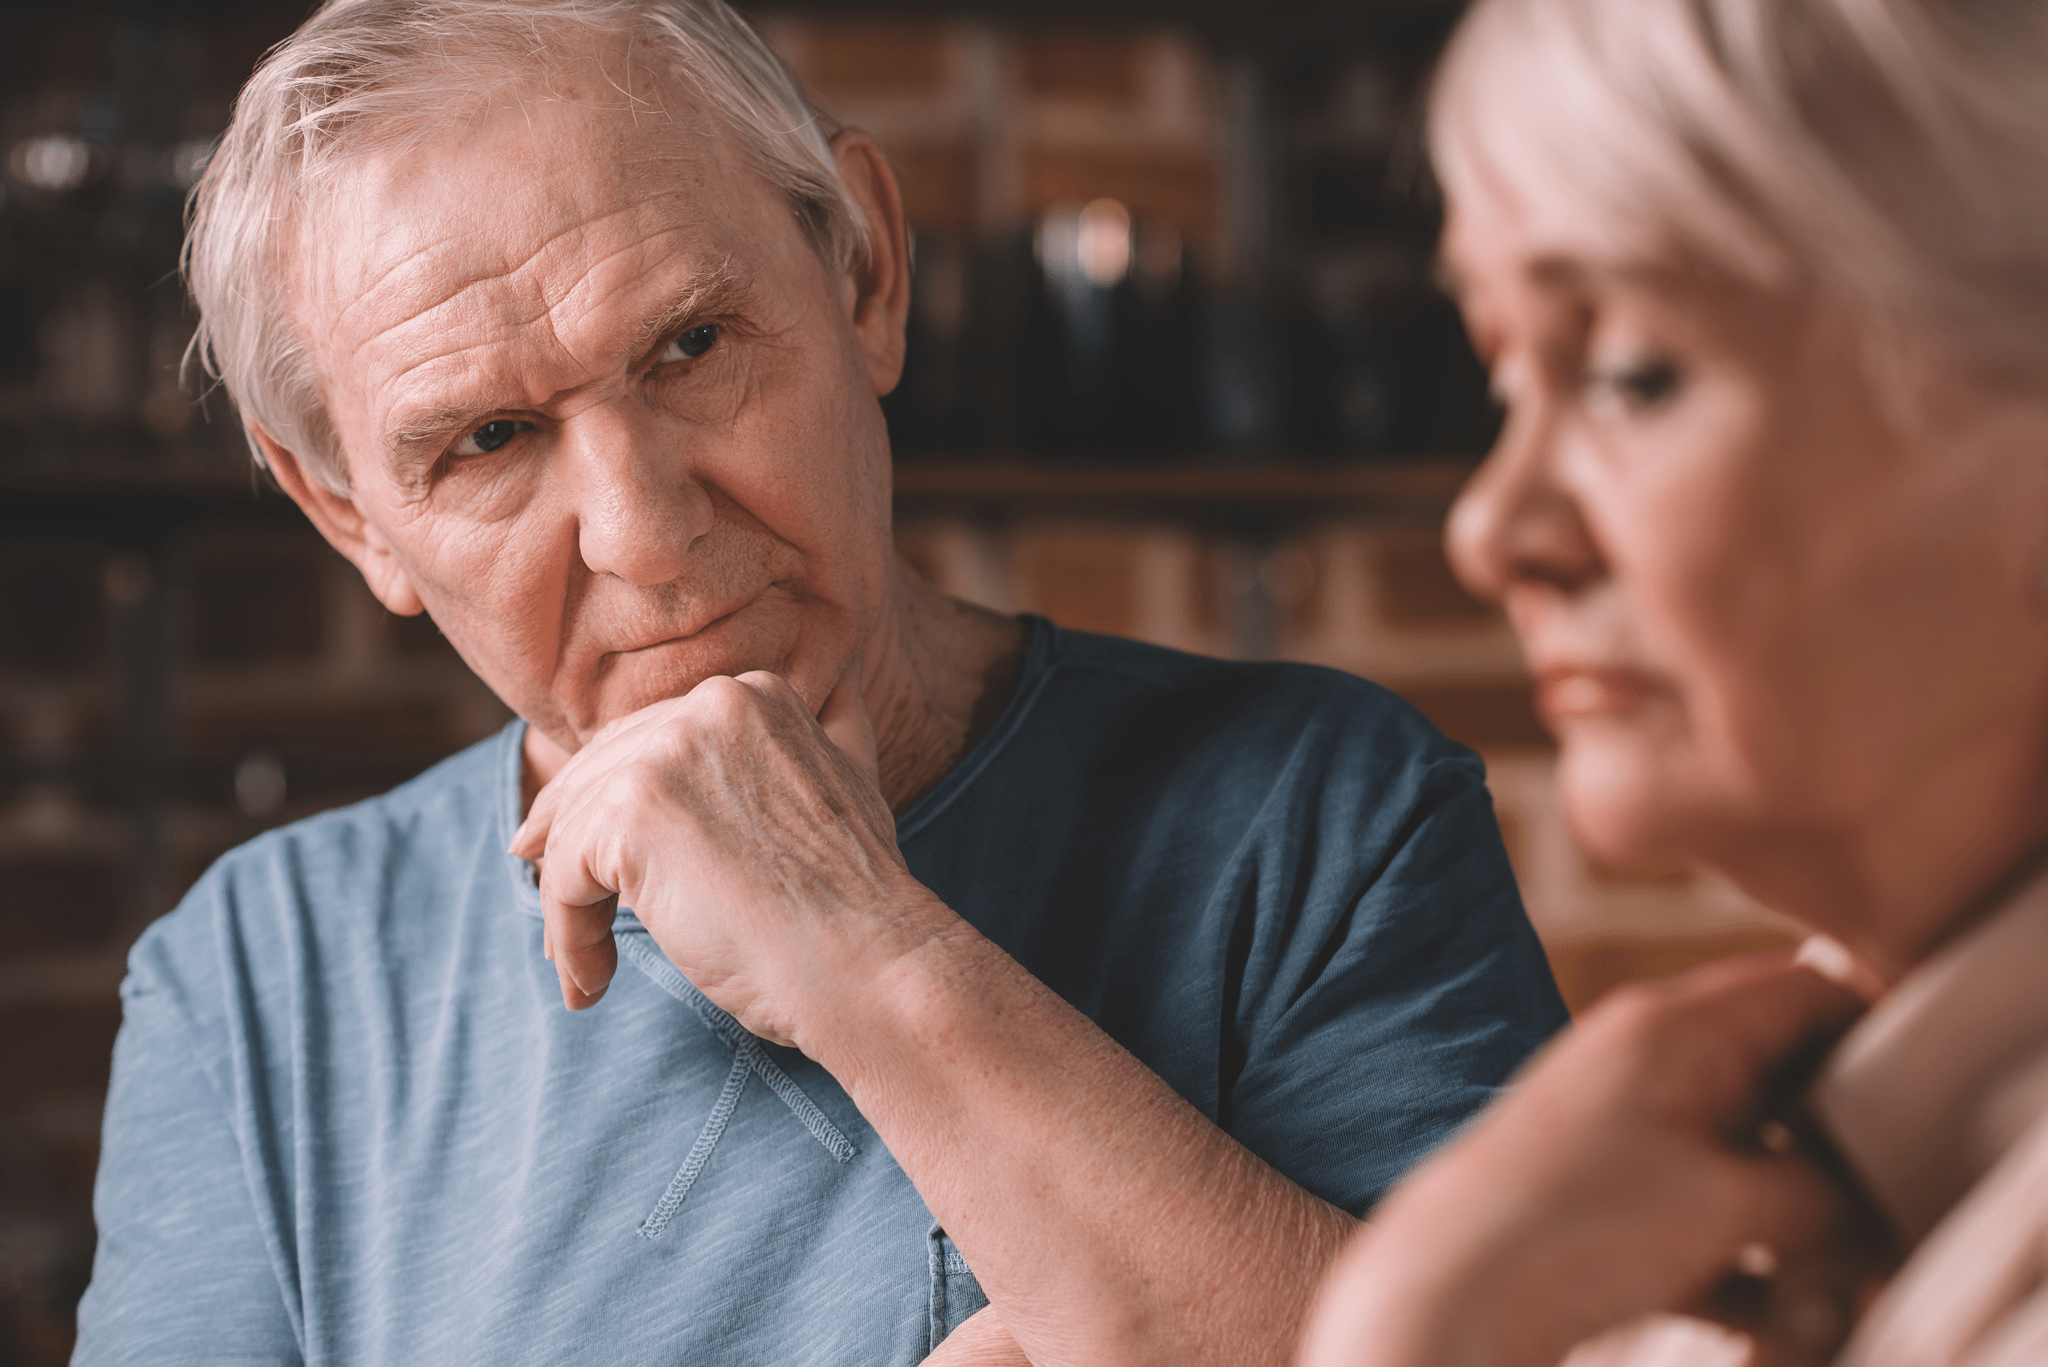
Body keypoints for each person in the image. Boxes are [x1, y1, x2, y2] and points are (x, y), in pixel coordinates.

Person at [71, 2, 1567, 1364]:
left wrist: (864, 946)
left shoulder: (1320, 812)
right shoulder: (253, 982)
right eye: (487, 443)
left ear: (865, 271)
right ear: (345, 510)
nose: (647, 536)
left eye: (692, 343)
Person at [1296, 0, 2048, 1364]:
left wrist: (1410, 1336)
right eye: (1502, 375)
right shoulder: (1689, 1189)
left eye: (1634, 374)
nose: (1492, 529)